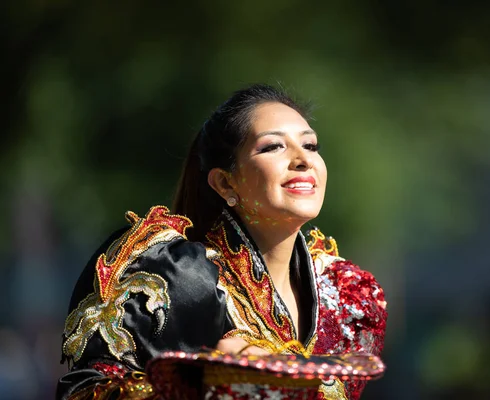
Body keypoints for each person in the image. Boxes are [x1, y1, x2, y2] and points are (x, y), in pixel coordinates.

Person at [57, 84, 388, 400]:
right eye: (274, 146)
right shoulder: (173, 274)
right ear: (226, 183)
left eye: (311, 146)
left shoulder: (346, 297)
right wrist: (206, 380)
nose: (303, 160)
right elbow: (86, 390)